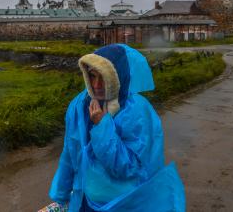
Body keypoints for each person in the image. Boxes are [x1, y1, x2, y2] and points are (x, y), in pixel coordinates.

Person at [49, 44, 185, 212]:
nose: (96, 85)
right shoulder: (80, 106)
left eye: (104, 78)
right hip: (84, 199)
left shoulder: (136, 111)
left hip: (122, 203)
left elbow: (131, 168)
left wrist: (102, 126)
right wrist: (61, 194)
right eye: (92, 76)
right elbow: (70, 152)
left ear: (118, 78)